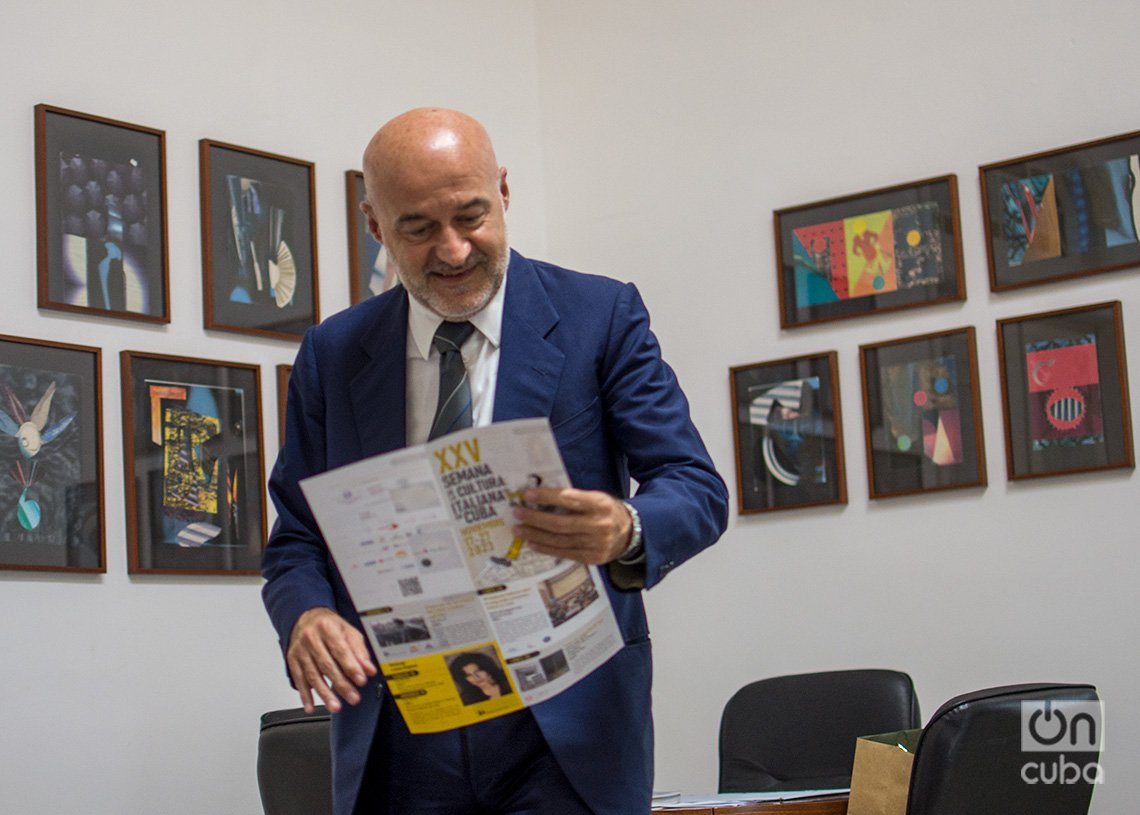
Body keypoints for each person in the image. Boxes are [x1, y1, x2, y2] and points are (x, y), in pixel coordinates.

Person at [262, 107, 728, 815]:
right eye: (418, 227)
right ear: (374, 224)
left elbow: (695, 487)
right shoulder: (332, 353)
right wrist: (306, 617)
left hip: (565, 732)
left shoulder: (600, 315)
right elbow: (297, 536)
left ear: (504, 191)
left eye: (471, 216)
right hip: (400, 735)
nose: (453, 250)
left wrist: (625, 529)